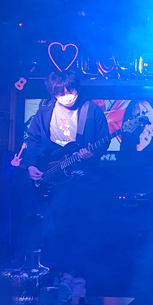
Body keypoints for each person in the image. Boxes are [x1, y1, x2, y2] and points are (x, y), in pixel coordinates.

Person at [23, 70, 109, 277]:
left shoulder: (91, 110)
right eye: (61, 93)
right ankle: (59, 276)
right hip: (53, 176)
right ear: (54, 93)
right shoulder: (44, 112)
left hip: (83, 179)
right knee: (55, 227)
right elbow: (33, 140)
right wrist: (31, 165)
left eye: (71, 91)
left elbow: (103, 140)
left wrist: (93, 153)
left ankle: (81, 277)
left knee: (82, 227)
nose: (68, 96)